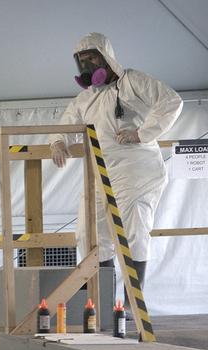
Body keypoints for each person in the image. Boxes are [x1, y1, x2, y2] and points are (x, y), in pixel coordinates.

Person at [50, 33, 182, 312]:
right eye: (82, 61)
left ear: (106, 57)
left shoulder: (132, 81)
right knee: (92, 236)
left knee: (134, 234)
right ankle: (104, 306)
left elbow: (171, 101)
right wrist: (59, 142)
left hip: (137, 174)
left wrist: (142, 133)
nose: (87, 66)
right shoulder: (85, 99)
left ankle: (135, 306)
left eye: (92, 58)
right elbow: (67, 123)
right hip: (100, 174)